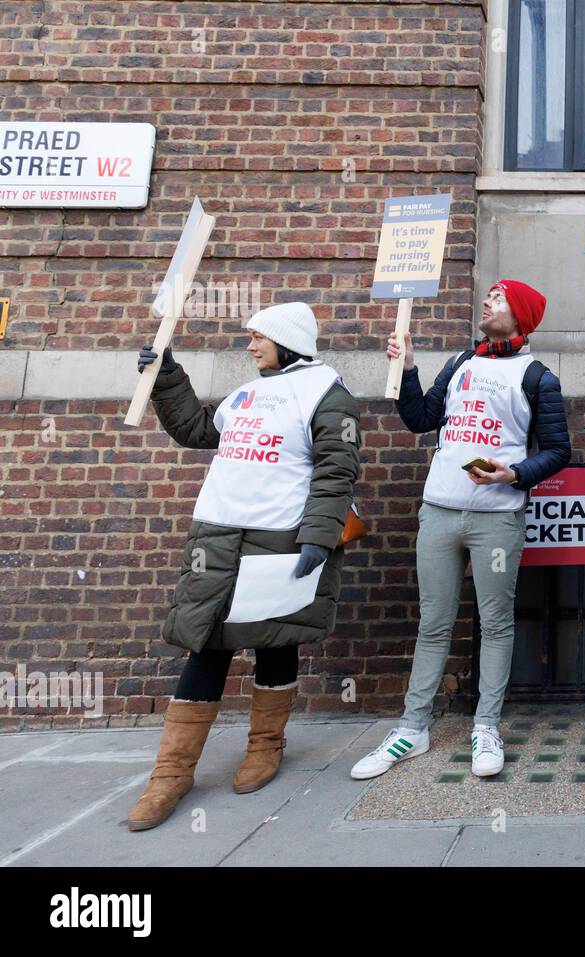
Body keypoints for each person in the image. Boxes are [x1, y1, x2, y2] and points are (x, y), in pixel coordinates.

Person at [127, 302, 362, 831]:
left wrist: (319, 539)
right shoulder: (248, 392)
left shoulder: (327, 394)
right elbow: (196, 430)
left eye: (258, 338)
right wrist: (167, 376)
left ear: (287, 341)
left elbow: (337, 470)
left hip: (279, 538)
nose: (251, 346)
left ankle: (266, 746)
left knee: (274, 642)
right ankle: (170, 774)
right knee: (206, 644)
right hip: (218, 536)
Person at [350, 280, 570, 781]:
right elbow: (419, 418)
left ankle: (486, 726)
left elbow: (559, 450)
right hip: (439, 510)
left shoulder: (538, 377)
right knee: (434, 623)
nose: (487, 302)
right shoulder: (458, 363)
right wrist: (407, 367)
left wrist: (513, 474)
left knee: (494, 622)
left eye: (498, 298)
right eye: (488, 295)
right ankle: (413, 728)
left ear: (520, 315)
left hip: (497, 516)